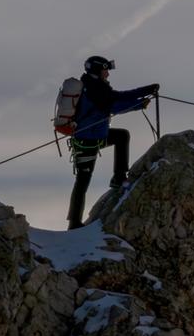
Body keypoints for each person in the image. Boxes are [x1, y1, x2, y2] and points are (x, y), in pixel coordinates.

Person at [67, 56, 159, 229]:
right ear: (97, 71)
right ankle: (74, 223)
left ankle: (118, 177)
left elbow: (118, 97)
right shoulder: (94, 89)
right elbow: (113, 106)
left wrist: (146, 90)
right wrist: (139, 104)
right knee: (83, 180)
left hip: (92, 137)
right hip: (88, 140)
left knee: (121, 136)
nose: (108, 74)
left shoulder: (96, 87)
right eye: (105, 70)